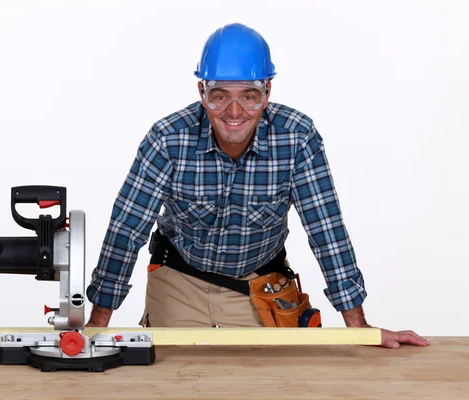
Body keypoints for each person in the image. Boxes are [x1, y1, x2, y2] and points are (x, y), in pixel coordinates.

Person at [85, 23, 429, 349]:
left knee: (272, 384)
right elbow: (127, 230)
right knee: (174, 381)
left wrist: (359, 330)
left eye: (249, 95)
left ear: (267, 93)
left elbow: (327, 231)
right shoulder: (167, 138)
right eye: (220, 95)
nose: (234, 111)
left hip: (258, 286)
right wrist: (96, 328)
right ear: (202, 92)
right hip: (179, 281)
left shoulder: (296, 137)